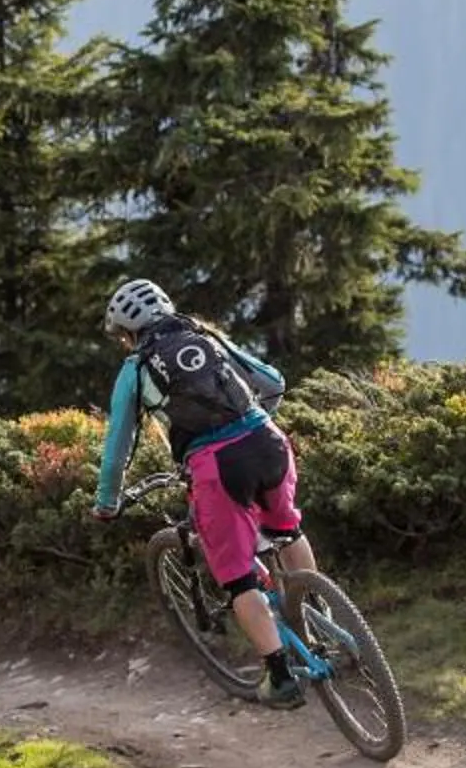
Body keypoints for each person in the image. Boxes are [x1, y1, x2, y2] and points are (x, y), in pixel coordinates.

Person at [89, 278, 318, 709]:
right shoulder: (205, 337)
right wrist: (250, 424)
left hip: (216, 466)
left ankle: (281, 677)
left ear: (126, 333)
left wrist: (107, 502)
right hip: (268, 441)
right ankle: (319, 622)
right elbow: (272, 381)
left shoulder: (135, 369)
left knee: (237, 577)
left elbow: (118, 445)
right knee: (286, 528)